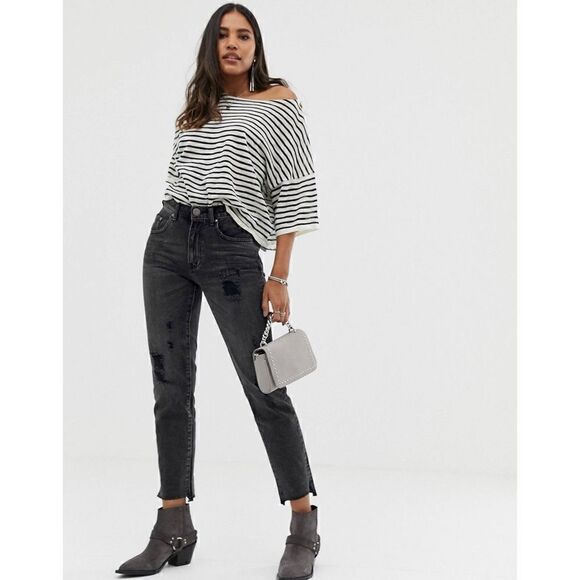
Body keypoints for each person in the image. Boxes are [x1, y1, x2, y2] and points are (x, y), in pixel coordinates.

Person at [115, 4, 321, 579]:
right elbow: (179, 176)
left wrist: (279, 275)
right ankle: (172, 524)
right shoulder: (197, 107)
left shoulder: (278, 104)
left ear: (257, 47)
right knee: (170, 387)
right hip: (167, 241)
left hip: (231, 248)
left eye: (243, 35)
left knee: (264, 385)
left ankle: (303, 523)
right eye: (223, 35)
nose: (233, 44)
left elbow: (294, 191)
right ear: (211, 45)